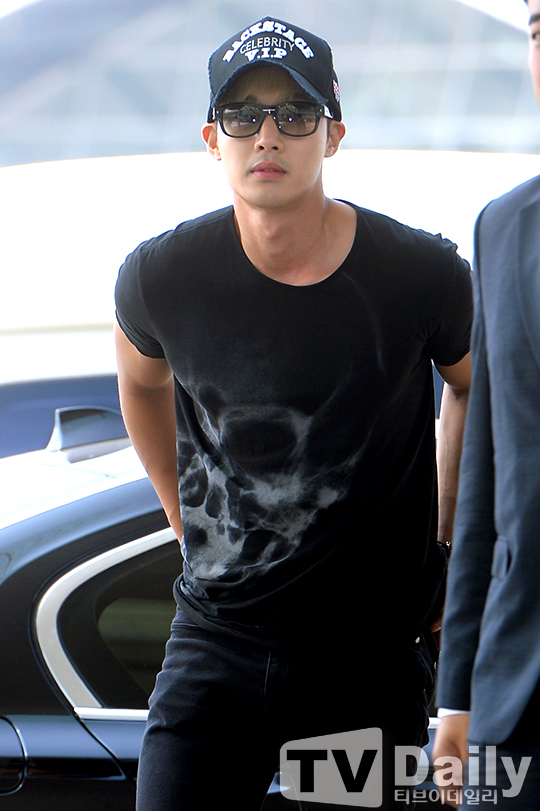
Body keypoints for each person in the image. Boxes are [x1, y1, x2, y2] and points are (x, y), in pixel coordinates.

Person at [114, 16, 472, 811]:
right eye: (242, 115)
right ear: (213, 139)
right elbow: (140, 383)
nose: (267, 134)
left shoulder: (422, 275)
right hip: (217, 641)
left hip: (363, 663)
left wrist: (448, 535)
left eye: (295, 113)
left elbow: (477, 386)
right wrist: (180, 513)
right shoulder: (162, 276)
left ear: (333, 134)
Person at [433, 2, 540, 809]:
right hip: (516, 694)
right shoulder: (503, 227)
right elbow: (485, 480)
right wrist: (457, 692)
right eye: (538, 30)